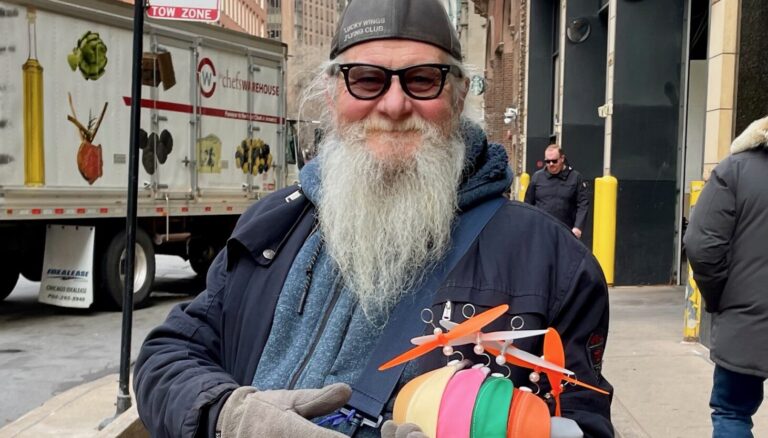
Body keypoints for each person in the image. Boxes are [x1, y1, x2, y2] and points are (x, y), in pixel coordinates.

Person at [134, 0, 613, 437]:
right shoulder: (273, 225)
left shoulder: (552, 265)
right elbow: (168, 354)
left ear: (459, 94)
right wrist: (227, 414)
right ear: (332, 93)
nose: (394, 105)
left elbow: (582, 424)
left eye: (423, 79)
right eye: (366, 79)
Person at [684, 115, 768, 438]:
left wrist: (719, 296)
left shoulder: (735, 170)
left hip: (744, 323)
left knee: (732, 411)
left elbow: (700, 245)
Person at [524, 144, 590, 238]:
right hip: (541, 231)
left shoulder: (575, 177)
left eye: (554, 161)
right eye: (547, 161)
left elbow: (583, 204)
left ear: (562, 158)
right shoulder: (537, 177)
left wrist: (578, 227)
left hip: (566, 232)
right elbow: (528, 204)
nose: (551, 164)